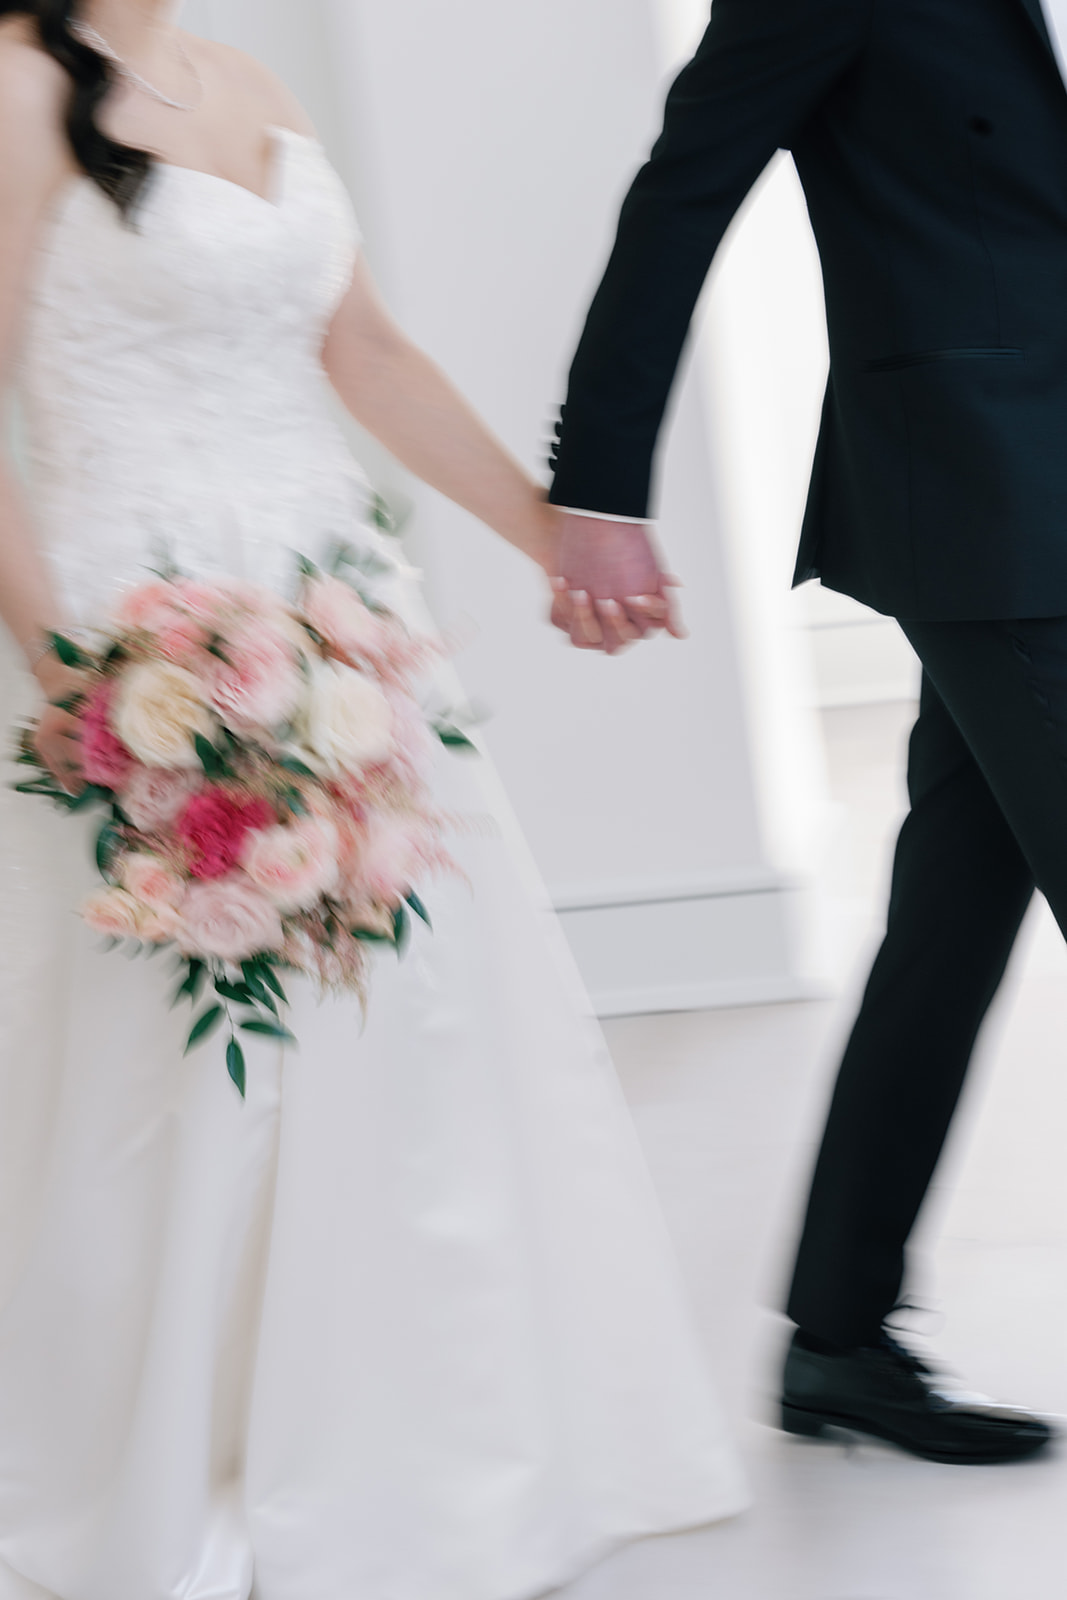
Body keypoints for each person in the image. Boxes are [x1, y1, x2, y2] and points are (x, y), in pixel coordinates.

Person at [0, 3, 749, 1596]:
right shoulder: (4, 90)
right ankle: (156, 1459)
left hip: (344, 613)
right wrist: (84, 691)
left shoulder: (245, 76)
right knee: (181, 1066)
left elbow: (367, 352)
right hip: (151, 633)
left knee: (422, 1022)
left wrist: (556, 532)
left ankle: (429, 1436)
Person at [550, 0, 1067, 1465]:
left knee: (952, 919)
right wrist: (599, 488)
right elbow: (682, 192)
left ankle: (837, 1337)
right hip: (981, 493)